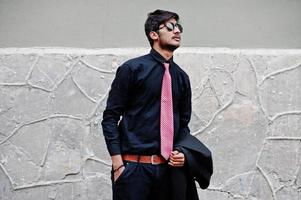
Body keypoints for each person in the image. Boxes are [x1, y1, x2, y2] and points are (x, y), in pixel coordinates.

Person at [101, 9, 212, 200]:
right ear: (154, 34)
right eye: (170, 27)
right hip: (133, 170)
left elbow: (182, 127)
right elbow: (110, 118)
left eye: (178, 27)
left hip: (169, 172)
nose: (177, 31)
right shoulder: (132, 69)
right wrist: (118, 164)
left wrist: (182, 153)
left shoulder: (181, 78)